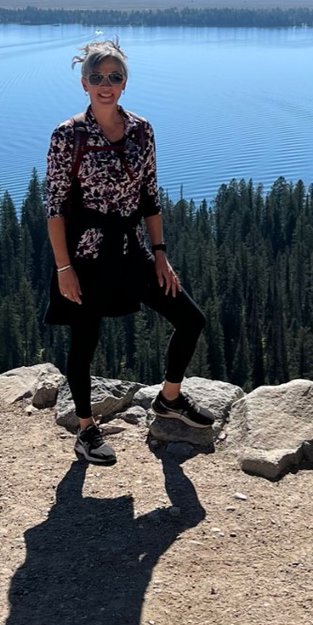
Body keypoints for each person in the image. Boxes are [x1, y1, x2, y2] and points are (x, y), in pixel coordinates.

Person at [45, 39, 213, 465]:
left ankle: (169, 399)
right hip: (86, 255)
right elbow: (55, 208)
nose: (106, 84)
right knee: (84, 342)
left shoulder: (141, 130)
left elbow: (149, 195)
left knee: (190, 319)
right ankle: (85, 429)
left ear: (124, 83)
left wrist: (160, 252)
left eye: (114, 77)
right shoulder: (69, 135)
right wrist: (64, 267)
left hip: (132, 248)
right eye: (98, 77)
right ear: (84, 83)